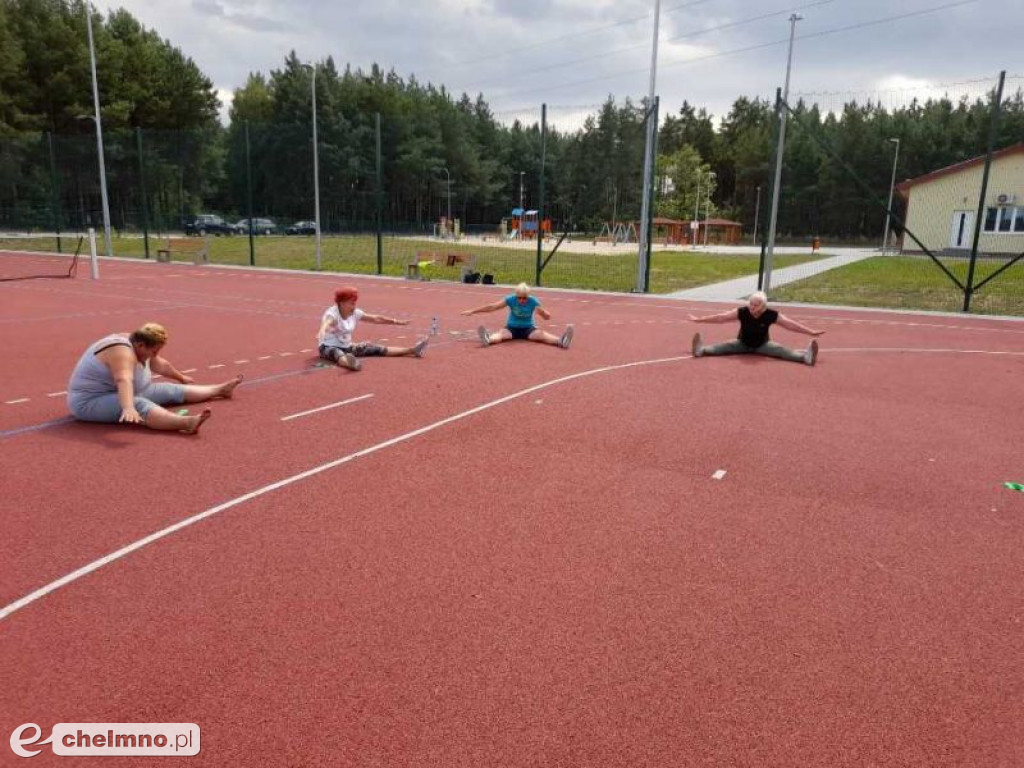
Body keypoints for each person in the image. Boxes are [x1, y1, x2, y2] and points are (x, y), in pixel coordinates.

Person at [67, 323, 242, 434]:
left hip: (130, 390)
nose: (155, 355)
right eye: (154, 351)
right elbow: (123, 380)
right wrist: (128, 407)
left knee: (170, 389)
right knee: (140, 404)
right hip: (90, 401)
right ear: (141, 345)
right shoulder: (121, 351)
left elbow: (160, 364)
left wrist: (180, 377)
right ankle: (185, 422)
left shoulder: (138, 342)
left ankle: (219, 390)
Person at [689, 291, 824, 365]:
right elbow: (721, 318)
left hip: (763, 345)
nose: (752, 307)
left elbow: (790, 325)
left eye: (756, 305)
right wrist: (700, 320)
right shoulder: (742, 311)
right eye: (751, 304)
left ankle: (806, 358)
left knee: (782, 351)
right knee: (723, 347)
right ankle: (701, 350)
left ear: (763, 306)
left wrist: (810, 331)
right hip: (742, 343)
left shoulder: (771, 314)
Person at [317, 286, 428, 371]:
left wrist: (396, 322)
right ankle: (352, 364)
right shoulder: (332, 313)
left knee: (375, 349)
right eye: (351, 303)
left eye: (354, 303)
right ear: (341, 303)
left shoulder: (354, 313)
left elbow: (376, 319)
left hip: (347, 346)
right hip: (327, 346)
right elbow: (327, 322)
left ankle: (413, 350)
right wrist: (322, 330)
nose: (354, 306)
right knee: (337, 353)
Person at [461, 282, 574, 349]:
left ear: (528, 296)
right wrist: (473, 311)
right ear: (516, 295)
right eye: (519, 297)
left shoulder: (533, 301)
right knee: (501, 335)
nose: (522, 300)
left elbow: (545, 316)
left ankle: (562, 341)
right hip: (512, 328)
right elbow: (492, 307)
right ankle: (488, 339)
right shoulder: (510, 299)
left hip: (528, 329)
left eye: (524, 298)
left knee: (542, 335)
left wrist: (545, 314)